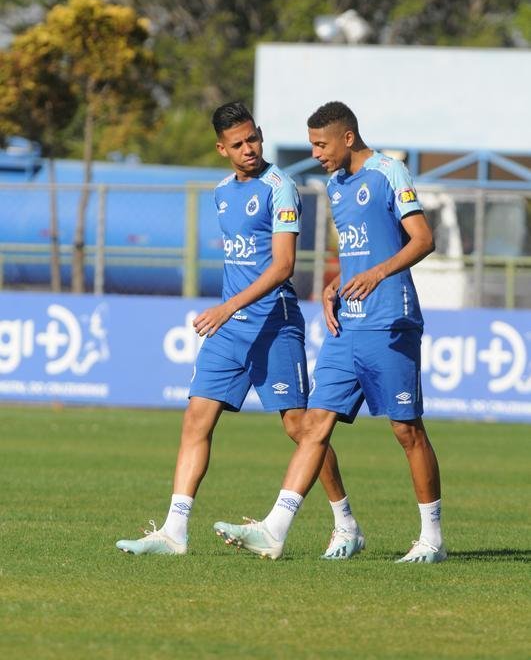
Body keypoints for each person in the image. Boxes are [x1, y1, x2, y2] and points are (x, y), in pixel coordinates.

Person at [116, 101, 362, 559]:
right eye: (237, 143)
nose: (248, 148)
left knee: (300, 428)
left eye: (253, 138)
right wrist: (229, 311)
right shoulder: (221, 193)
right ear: (221, 149)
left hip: (273, 324)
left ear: (261, 135)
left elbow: (283, 265)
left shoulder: (280, 187)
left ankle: (345, 522)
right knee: (196, 419)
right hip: (230, 331)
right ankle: (174, 531)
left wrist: (227, 306)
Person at [214, 101, 447, 564]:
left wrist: (378, 274)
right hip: (347, 324)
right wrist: (335, 285)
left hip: (389, 320)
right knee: (313, 426)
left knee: (406, 430)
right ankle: (276, 529)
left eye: (321, 144)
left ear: (346, 137)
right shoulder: (336, 186)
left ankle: (432, 539)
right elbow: (363, 250)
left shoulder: (388, 172)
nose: (316, 153)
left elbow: (422, 239)